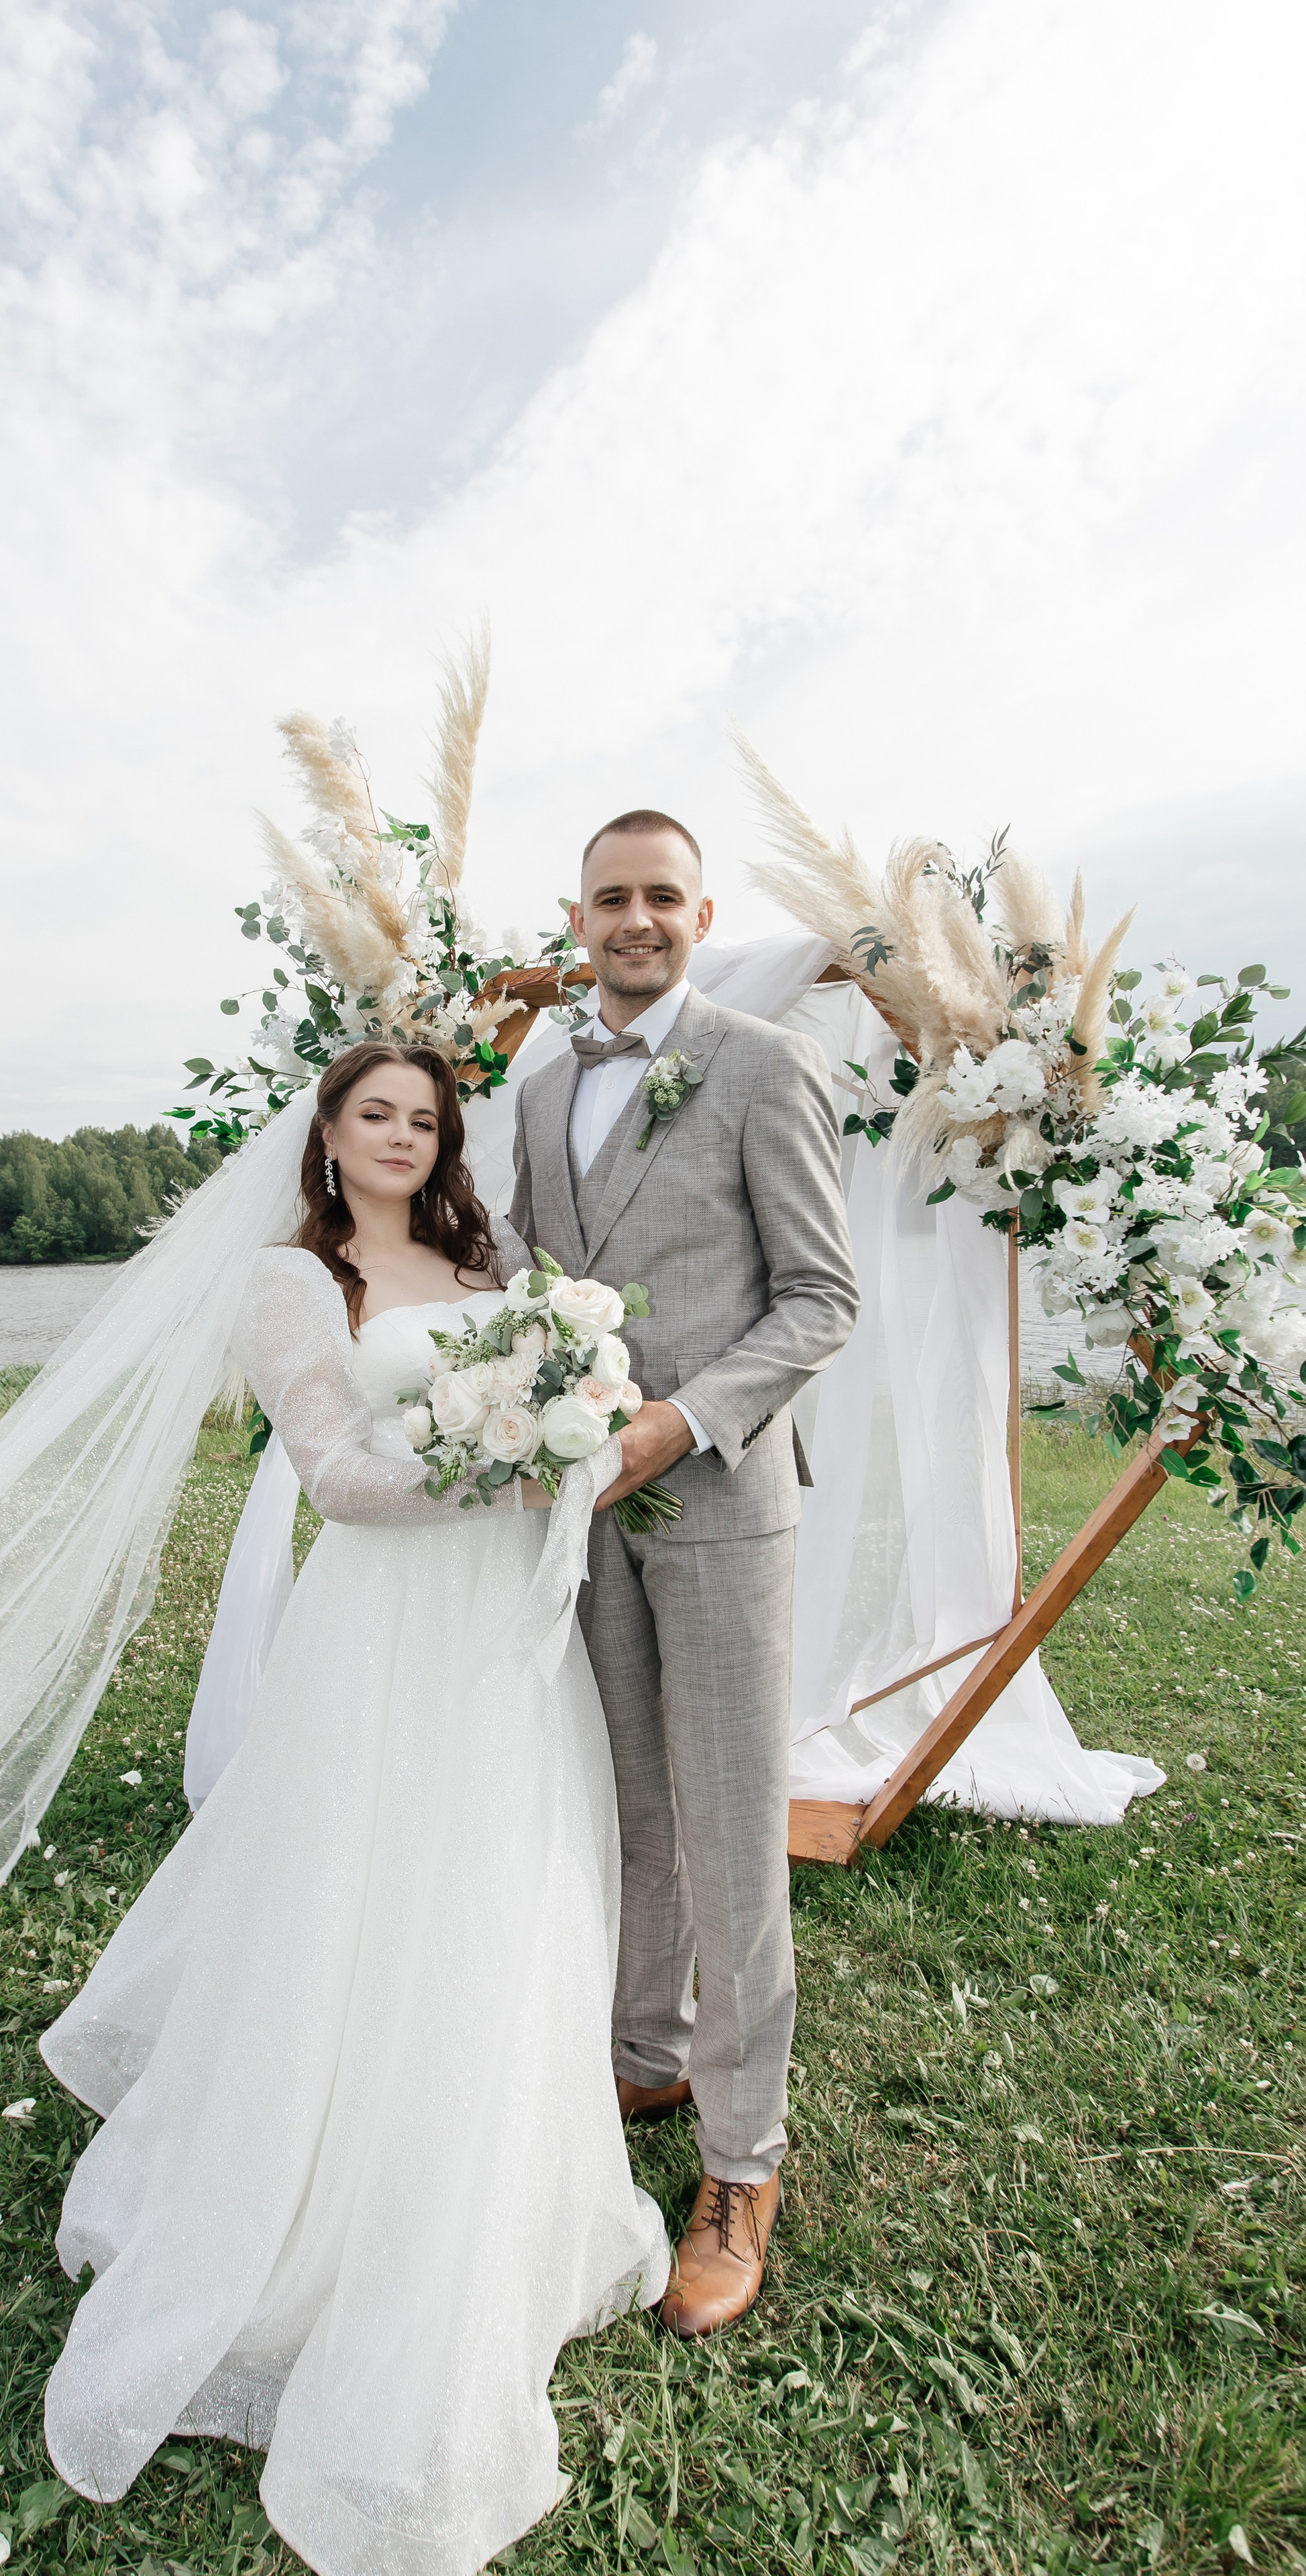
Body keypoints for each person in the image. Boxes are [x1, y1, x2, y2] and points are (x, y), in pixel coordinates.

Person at [40, 1040, 669, 2573]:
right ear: (326, 1132)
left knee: (499, 1890)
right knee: (357, 1893)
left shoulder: (477, 1254)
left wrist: (567, 1420)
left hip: (503, 1631)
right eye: (375, 1113)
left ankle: (481, 2174)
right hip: (382, 1630)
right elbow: (331, 1474)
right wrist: (506, 1469)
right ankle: (301, 2200)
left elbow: (550, 1380)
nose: (402, 1134)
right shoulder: (289, 1281)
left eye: (426, 1118)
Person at [510, 809, 858, 2339]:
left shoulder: (766, 1065)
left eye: (660, 896)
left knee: (728, 1836)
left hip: (718, 1504)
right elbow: (527, 1276)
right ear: (574, 917)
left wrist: (681, 1418)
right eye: (609, 899)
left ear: (701, 914)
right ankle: (639, 2054)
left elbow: (819, 1296)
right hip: (582, 1519)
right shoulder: (535, 1092)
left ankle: (740, 2169)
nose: (633, 920)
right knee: (624, 1805)